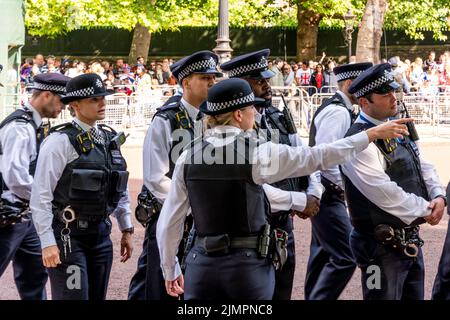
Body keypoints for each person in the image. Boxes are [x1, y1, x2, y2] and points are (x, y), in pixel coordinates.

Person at [156, 77, 414, 300]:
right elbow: (318, 156)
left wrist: (170, 269)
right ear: (238, 114)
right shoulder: (257, 151)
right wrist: (369, 135)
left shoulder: (189, 155)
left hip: (201, 264)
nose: (256, 114)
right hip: (247, 268)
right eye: (251, 109)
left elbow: (170, 221)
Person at [220, 49, 323, 300]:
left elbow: (306, 157)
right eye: (260, 81)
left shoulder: (277, 118)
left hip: (281, 226)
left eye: (267, 79)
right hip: (249, 230)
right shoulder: (229, 128)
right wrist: (299, 201)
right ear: (241, 85)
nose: (268, 85)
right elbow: (249, 186)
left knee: (281, 292)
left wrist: (313, 192)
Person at [341, 63, 446, 300]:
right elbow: (382, 191)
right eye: (385, 94)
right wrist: (427, 208)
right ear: (364, 102)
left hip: (408, 238)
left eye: (394, 92)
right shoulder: (358, 141)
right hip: (377, 248)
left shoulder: (399, 125)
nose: (393, 98)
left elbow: (422, 163)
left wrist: (438, 195)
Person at [30, 73, 134, 300]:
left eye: (103, 98)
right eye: (94, 99)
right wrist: (47, 242)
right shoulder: (60, 141)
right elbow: (40, 195)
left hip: (101, 236)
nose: (102, 103)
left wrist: (126, 228)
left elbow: (118, 185)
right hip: (69, 238)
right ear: (75, 105)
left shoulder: (109, 140)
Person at [127, 50, 222, 300]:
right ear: (186, 82)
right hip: (170, 215)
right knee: (159, 286)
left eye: (213, 77)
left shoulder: (216, 119)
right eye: (204, 77)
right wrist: (190, 204)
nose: (212, 82)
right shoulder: (166, 120)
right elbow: (155, 177)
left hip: (203, 220)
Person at [0, 73, 70, 300]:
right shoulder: (20, 127)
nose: (63, 107)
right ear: (47, 95)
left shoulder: (33, 125)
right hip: (7, 217)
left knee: (35, 277)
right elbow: (16, 177)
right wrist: (45, 199)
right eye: (61, 100)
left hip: (25, 217)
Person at [306, 62, 372, 300]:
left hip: (324, 192)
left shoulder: (339, 108)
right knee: (346, 257)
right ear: (348, 84)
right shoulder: (337, 112)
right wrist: (345, 190)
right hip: (328, 194)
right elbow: (327, 158)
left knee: (322, 254)